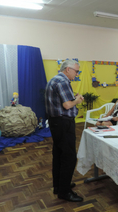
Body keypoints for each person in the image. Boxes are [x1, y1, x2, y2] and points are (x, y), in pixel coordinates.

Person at [45, 59, 84, 202]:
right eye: (76, 71)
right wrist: (77, 100)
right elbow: (67, 105)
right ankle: (65, 192)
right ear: (68, 69)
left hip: (56, 122)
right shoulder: (63, 81)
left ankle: (59, 185)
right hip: (63, 123)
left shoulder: (55, 79)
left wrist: (73, 98)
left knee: (59, 154)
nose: (77, 73)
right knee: (69, 157)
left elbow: (61, 101)